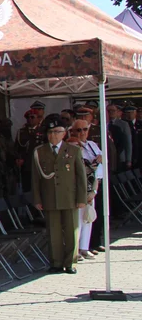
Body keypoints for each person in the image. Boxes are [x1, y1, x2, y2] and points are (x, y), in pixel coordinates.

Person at [31, 115, 88, 274]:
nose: (53, 135)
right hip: (49, 197)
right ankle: (55, 262)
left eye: (57, 131)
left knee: (71, 230)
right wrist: (37, 198)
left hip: (69, 196)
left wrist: (82, 199)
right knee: (54, 232)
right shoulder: (39, 152)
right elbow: (35, 178)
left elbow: (80, 177)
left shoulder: (74, 150)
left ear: (64, 133)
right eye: (50, 132)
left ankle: (70, 262)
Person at [68, 121, 101, 262]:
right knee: (78, 221)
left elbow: (100, 166)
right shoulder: (71, 145)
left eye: (85, 129)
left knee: (88, 218)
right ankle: (75, 250)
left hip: (91, 185)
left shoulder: (92, 145)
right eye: (79, 130)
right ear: (73, 131)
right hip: (77, 187)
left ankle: (84, 248)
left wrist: (94, 190)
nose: (82, 132)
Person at [108, 102, 133, 171]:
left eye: (113, 111)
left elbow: (128, 142)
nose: (111, 112)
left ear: (117, 112)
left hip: (120, 156)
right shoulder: (104, 123)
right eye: (109, 111)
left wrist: (128, 160)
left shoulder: (123, 124)